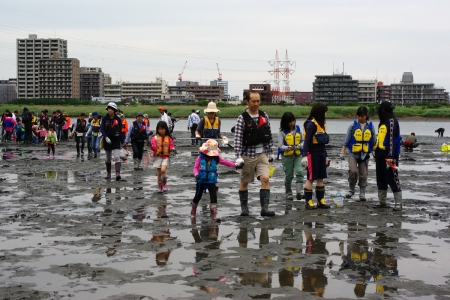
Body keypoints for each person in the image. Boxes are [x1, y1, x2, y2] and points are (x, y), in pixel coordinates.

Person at [234, 91, 275, 217]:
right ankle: (245, 209)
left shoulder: (264, 116)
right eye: (254, 101)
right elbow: (237, 139)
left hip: (262, 153)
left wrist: (271, 152)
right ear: (247, 101)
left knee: (265, 178)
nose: (256, 104)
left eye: (258, 101)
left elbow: (269, 135)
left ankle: (264, 209)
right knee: (244, 181)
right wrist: (238, 157)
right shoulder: (242, 118)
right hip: (247, 155)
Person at [190, 139, 238, 221]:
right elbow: (195, 168)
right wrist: (196, 174)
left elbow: (226, 162)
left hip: (211, 181)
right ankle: (193, 210)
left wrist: (235, 165)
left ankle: (213, 214)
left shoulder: (216, 158)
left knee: (214, 197)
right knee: (198, 196)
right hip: (201, 180)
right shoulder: (200, 158)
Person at [340, 106, 376, 201]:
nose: (360, 118)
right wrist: (342, 152)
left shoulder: (371, 126)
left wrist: (375, 154)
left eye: (362, 116)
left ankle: (362, 194)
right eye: (359, 116)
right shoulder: (352, 125)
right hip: (353, 153)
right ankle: (351, 190)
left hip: (365, 154)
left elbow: (374, 141)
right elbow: (346, 140)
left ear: (366, 116)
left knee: (363, 174)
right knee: (353, 171)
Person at [373, 101, 403, 211]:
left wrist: (390, 156)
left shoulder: (392, 122)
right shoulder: (382, 122)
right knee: (380, 177)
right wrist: (375, 154)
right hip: (380, 153)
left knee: (392, 177)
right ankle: (382, 202)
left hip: (390, 155)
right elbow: (379, 139)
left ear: (383, 110)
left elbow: (392, 140)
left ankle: (398, 203)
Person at [303, 103, 331, 210]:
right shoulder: (311, 124)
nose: (325, 114)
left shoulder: (321, 125)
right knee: (311, 178)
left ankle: (320, 201)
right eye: (324, 112)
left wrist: (326, 157)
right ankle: (308, 201)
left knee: (320, 178)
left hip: (321, 153)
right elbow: (306, 141)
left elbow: (323, 143)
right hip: (312, 154)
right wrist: (305, 156)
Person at [278, 112, 304, 200]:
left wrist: (300, 146)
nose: (292, 123)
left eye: (293, 121)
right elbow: (280, 146)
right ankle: (288, 192)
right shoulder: (281, 132)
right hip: (287, 157)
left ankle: (299, 192)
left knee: (300, 172)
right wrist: (288, 148)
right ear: (285, 122)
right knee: (289, 175)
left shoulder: (298, 129)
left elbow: (303, 141)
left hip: (297, 155)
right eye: (289, 122)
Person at [101, 102, 124, 181]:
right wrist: (106, 137)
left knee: (117, 156)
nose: (110, 110)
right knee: (108, 158)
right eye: (108, 109)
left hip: (116, 140)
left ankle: (118, 173)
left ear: (114, 110)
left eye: (111, 109)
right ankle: (109, 173)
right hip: (107, 140)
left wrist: (123, 141)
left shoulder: (118, 119)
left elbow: (121, 130)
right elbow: (102, 129)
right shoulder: (104, 119)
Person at [150, 121, 175, 193]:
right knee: (159, 173)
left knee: (163, 170)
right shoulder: (154, 138)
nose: (161, 131)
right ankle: (160, 186)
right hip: (157, 157)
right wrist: (151, 146)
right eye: (159, 129)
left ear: (166, 129)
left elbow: (171, 146)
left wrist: (173, 149)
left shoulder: (169, 138)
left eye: (162, 129)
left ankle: (164, 184)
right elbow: (153, 146)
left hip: (165, 157)